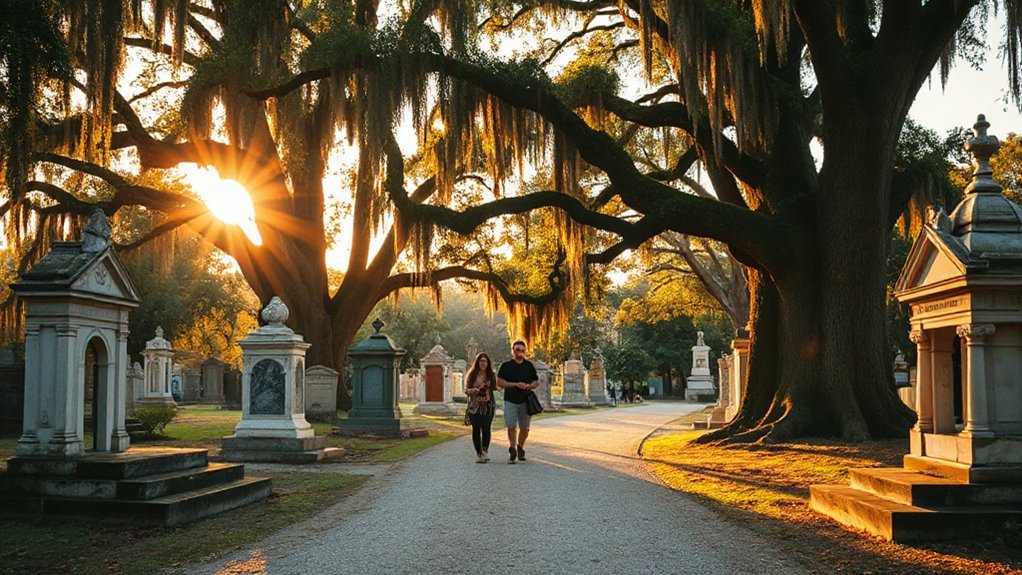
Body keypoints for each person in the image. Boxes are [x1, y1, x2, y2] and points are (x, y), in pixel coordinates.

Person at [496, 340, 538, 464]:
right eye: (517, 350)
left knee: (525, 428)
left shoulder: (529, 366)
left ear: (525, 351)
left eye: (522, 350)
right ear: (513, 351)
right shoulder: (506, 366)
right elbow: (500, 382)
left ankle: (520, 447)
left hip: (525, 400)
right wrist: (515, 384)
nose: (520, 352)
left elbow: (536, 382)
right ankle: (512, 448)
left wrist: (528, 386)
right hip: (510, 400)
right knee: (511, 426)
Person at [464, 352, 496, 463]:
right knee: (476, 429)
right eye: (481, 361)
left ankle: (485, 451)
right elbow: (466, 390)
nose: (483, 363)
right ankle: (478, 453)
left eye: (485, 361)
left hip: (488, 406)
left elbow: (495, 388)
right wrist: (475, 390)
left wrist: (486, 387)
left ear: (488, 363)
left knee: (486, 428)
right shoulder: (471, 375)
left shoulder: (491, 375)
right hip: (474, 406)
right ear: (477, 362)